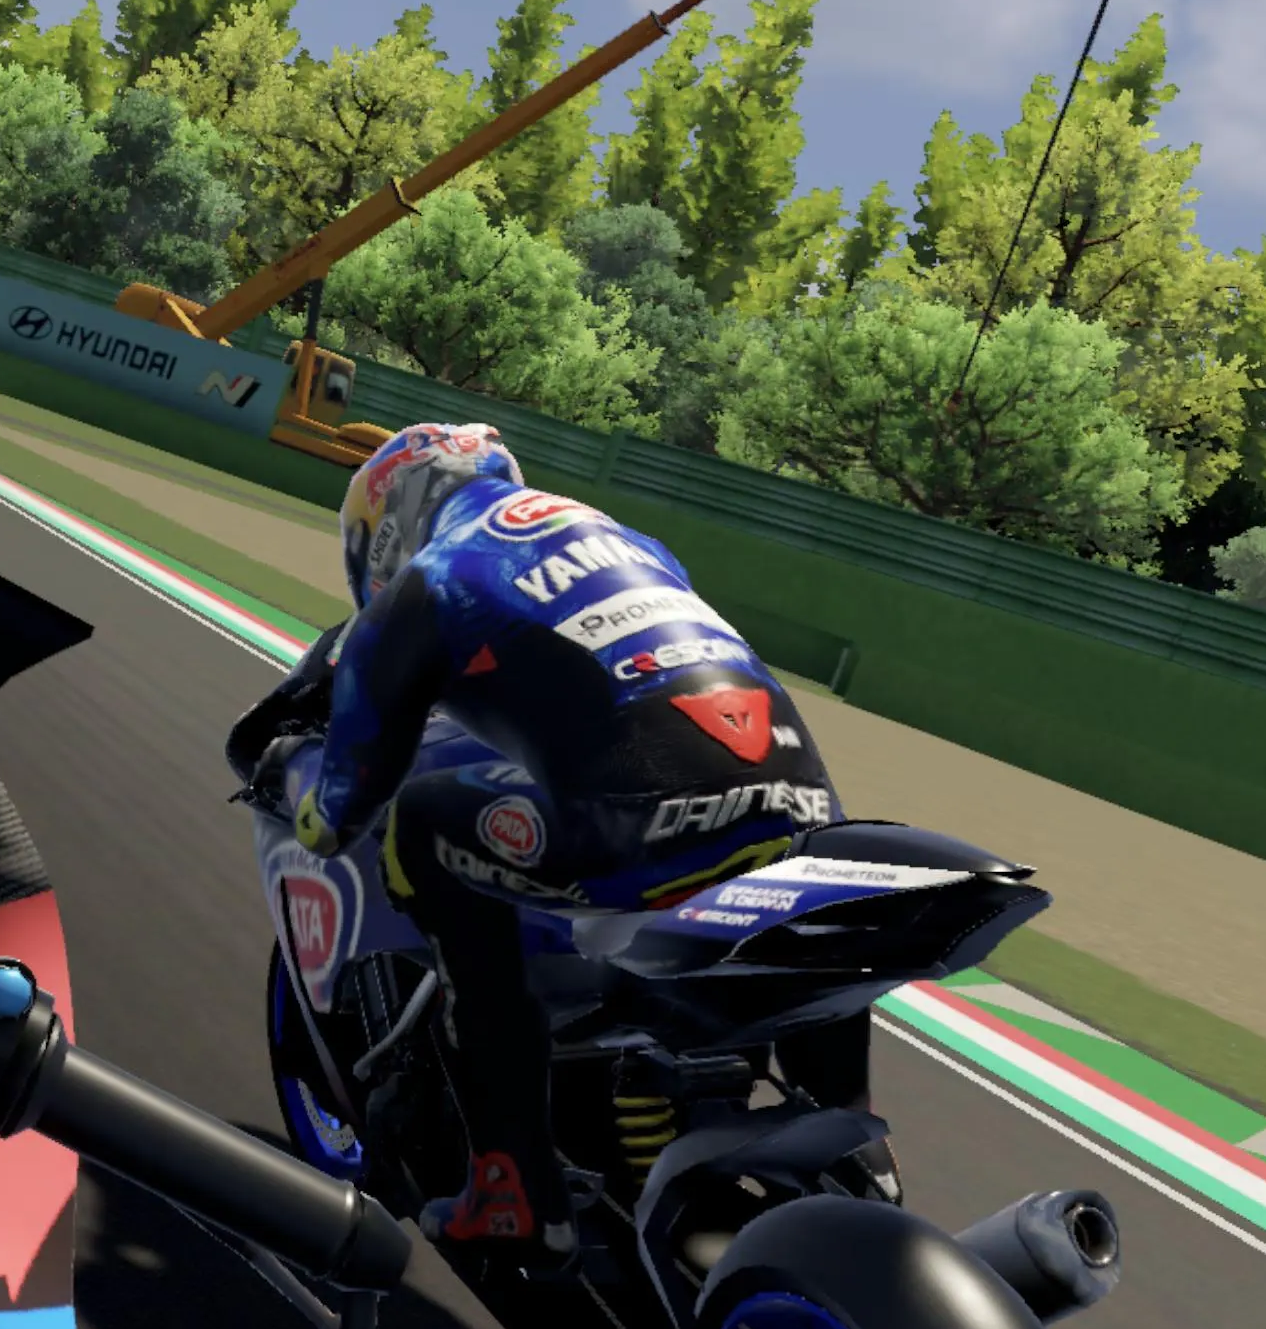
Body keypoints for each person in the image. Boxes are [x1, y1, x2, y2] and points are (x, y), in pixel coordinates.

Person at [233, 422, 846, 1268]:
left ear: (391, 519)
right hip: (804, 801)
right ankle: (850, 1132)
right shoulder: (626, 541)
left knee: (424, 826)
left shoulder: (429, 577)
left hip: (648, 825)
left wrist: (298, 797)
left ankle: (515, 1186)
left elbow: (342, 809)